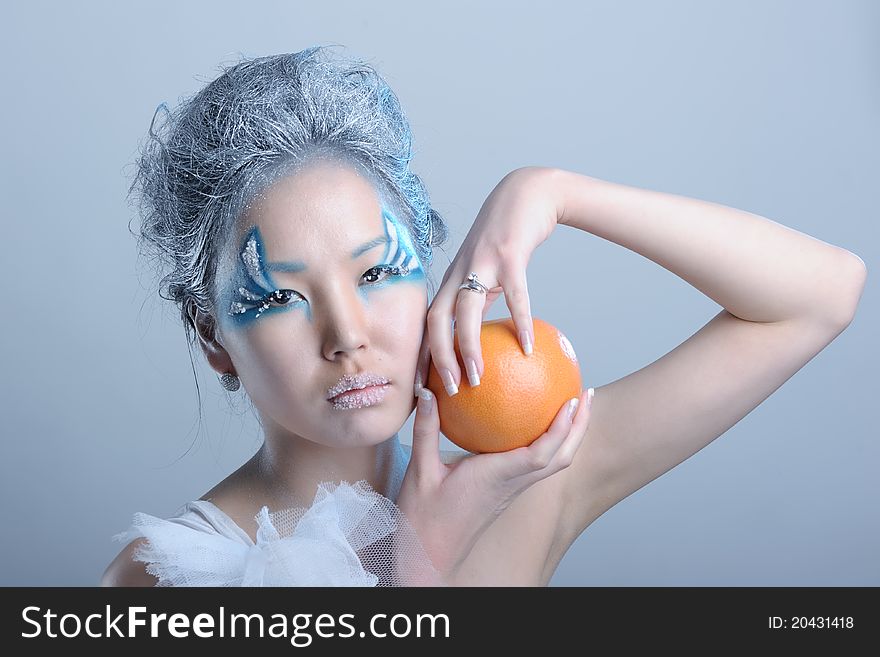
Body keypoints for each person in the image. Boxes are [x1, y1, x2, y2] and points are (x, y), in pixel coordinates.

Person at [102, 45, 867, 587]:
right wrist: (421, 564)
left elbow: (822, 294)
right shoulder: (167, 575)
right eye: (279, 297)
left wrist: (554, 192)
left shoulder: (527, 483)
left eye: (377, 271)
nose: (349, 337)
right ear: (213, 338)